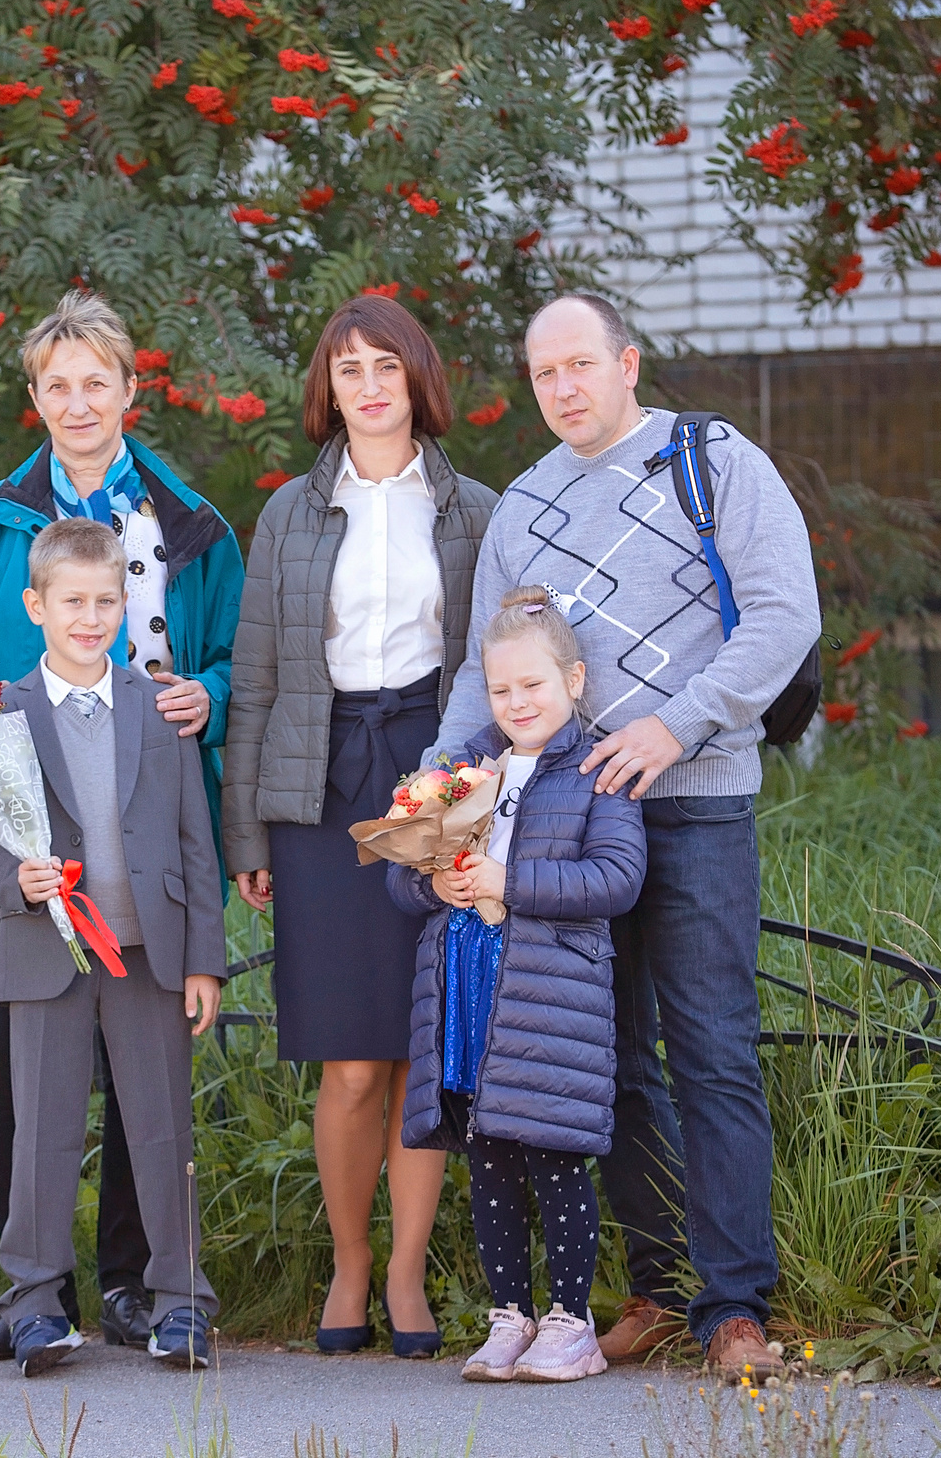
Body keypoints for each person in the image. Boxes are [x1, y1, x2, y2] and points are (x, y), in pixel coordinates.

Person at [426, 293, 820, 1380]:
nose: (562, 388)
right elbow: (484, 663)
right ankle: (658, 1286)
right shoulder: (523, 505)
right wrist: (440, 771)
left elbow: (787, 616)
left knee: (712, 1053)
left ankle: (734, 1304)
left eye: (579, 365)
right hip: (561, 817)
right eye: (542, 371)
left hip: (692, 799)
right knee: (611, 1065)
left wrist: (674, 722)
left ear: (626, 363)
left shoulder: (715, 461)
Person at [0, 289, 245, 1364]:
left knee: (149, 1092)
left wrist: (211, 691)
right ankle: (33, 1290)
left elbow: (243, 656)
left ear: (128, 390)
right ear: (33, 395)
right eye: (55, 384)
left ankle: (141, 1284)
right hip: (36, 831)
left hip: (151, 816)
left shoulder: (186, 518)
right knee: (21, 1073)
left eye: (94, 382)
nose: (76, 402)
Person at [223, 295, 495, 1358]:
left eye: (386, 366)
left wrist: (480, 805)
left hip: (432, 774)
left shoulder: (475, 508)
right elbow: (253, 683)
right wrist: (248, 833)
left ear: (416, 378)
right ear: (326, 391)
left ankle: (407, 1272)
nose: (369, 386)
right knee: (348, 1059)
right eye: (348, 372)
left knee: (419, 1047)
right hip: (322, 782)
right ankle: (345, 1263)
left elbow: (492, 665)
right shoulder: (288, 512)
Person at [0, 516, 229, 1377]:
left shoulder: (156, 705)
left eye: (108, 600)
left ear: (126, 603)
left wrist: (205, 959)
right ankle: (34, 1302)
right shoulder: (0, 713)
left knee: (160, 1126)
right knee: (43, 1134)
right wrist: (16, 880)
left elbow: (194, 840)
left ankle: (180, 1303)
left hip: (146, 950)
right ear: (36, 604)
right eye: (73, 600)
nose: (91, 616)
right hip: (47, 953)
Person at [392, 587, 644, 1383]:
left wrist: (511, 877)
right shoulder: (460, 768)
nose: (517, 701)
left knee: (555, 1158)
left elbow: (616, 878)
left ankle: (571, 1324)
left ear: (573, 680)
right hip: (469, 995)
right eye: (502, 689)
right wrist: (438, 887)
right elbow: (400, 879)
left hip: (548, 999)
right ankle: (510, 1316)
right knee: (490, 1157)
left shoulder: (596, 772)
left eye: (532, 685)